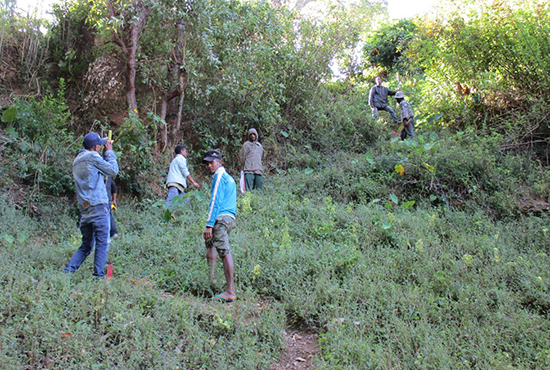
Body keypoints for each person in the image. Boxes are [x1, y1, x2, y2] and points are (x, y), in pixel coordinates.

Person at [65, 132, 119, 278]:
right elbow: (113, 170)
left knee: (86, 245)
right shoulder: (93, 157)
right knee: (103, 243)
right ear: (95, 147)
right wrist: (110, 152)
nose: (101, 148)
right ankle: (98, 277)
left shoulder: (77, 160)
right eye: (100, 146)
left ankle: (67, 273)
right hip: (98, 206)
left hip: (84, 209)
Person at [203, 149, 237, 302]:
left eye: (212, 162)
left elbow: (215, 201)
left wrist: (210, 224)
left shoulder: (219, 176)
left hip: (222, 218)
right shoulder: (229, 178)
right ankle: (211, 278)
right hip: (228, 217)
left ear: (219, 163)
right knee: (209, 242)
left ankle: (230, 291)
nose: (209, 165)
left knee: (224, 251)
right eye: (207, 163)